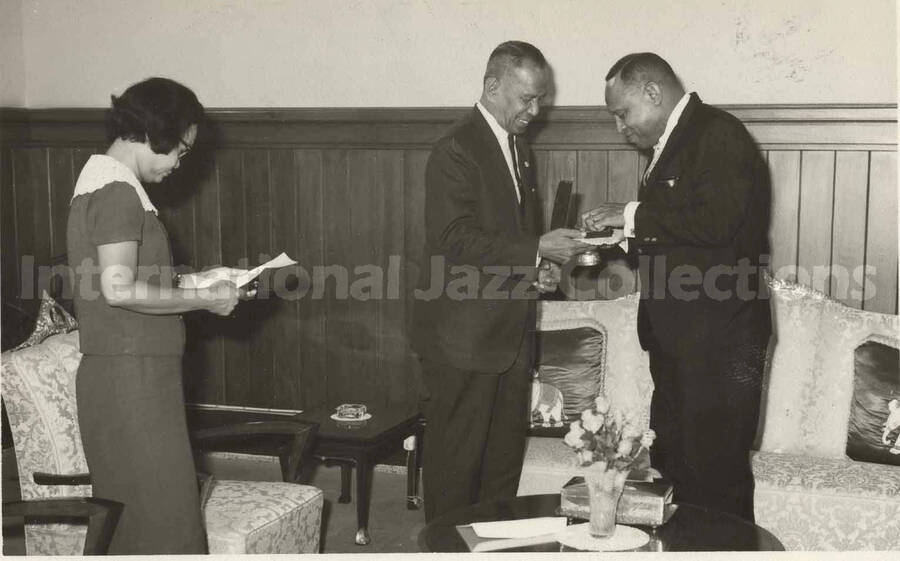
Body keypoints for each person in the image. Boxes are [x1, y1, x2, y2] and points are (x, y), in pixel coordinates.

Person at [582, 52, 772, 521]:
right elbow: (679, 239)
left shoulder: (717, 133)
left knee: (715, 478)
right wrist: (614, 240)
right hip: (684, 343)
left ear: (653, 92)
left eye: (622, 114)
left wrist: (629, 215)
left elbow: (716, 224)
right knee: (675, 473)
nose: (619, 128)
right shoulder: (673, 144)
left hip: (720, 345)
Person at [66, 77, 248, 553]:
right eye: (181, 151)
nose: (180, 163)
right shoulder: (117, 194)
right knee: (166, 527)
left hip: (134, 376)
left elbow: (123, 281)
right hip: (132, 382)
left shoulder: (106, 182)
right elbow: (118, 289)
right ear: (155, 133)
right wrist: (206, 301)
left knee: (145, 525)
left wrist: (196, 281)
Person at [411, 40, 590, 522]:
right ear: (492, 87)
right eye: (525, 99)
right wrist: (536, 248)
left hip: (509, 337)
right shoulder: (456, 148)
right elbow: (453, 237)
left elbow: (510, 236)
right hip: (462, 341)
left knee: (500, 470)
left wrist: (541, 265)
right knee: (456, 471)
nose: (535, 110)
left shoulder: (517, 146)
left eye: (541, 99)